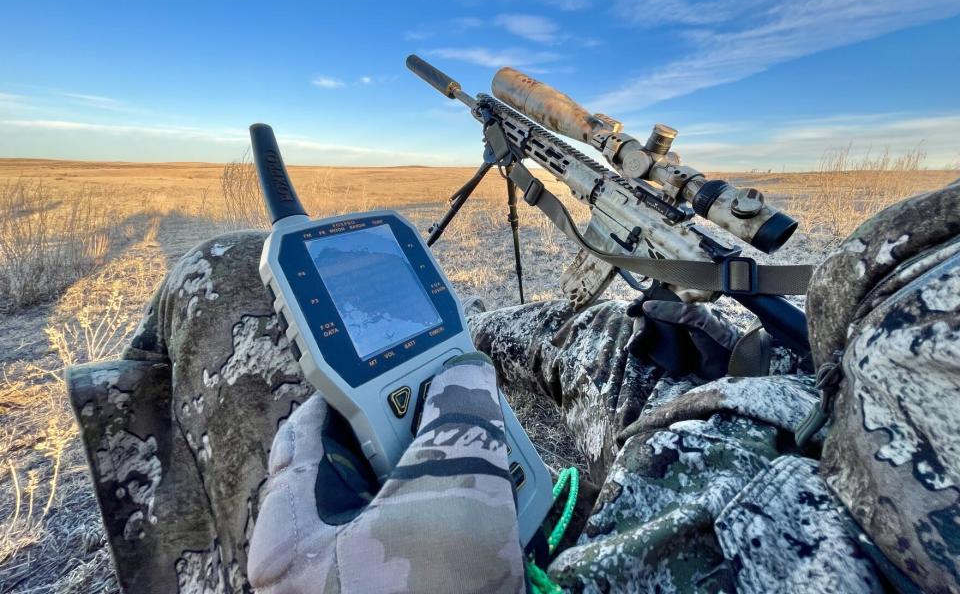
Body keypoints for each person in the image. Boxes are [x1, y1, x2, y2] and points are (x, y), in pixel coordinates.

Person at [66, 181, 960, 593]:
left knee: (216, 271)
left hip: (752, 488)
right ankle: (473, 339)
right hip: (782, 411)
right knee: (569, 335)